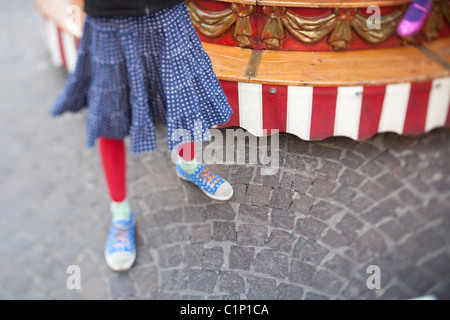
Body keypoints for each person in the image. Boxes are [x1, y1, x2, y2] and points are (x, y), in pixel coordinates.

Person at [51, 0, 234, 272]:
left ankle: (189, 166)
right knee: (109, 114)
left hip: (166, 10)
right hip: (109, 19)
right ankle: (120, 213)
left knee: (180, 97)